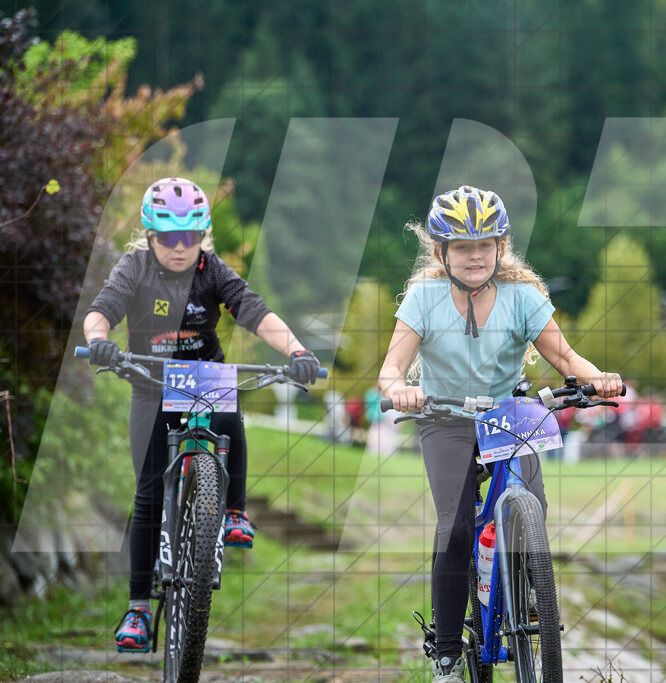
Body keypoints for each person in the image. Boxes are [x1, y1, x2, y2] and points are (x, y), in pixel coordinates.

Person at [377, 186, 622, 683]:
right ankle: (446, 649)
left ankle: (525, 592)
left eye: (484, 245)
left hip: (508, 413)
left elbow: (567, 359)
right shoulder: (423, 299)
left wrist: (597, 377)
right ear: (442, 252)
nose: (474, 256)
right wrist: (400, 389)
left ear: (500, 249)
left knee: (533, 500)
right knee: (456, 525)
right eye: (462, 247)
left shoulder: (523, 298)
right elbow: (390, 371)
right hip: (444, 416)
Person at [83, 178, 320, 653]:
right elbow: (101, 311)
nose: (179, 247)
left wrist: (296, 349)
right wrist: (99, 341)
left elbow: (255, 311)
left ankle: (234, 512)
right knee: (149, 494)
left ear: (202, 236)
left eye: (189, 237)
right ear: (149, 237)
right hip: (151, 387)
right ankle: (138, 609)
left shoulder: (213, 271)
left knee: (230, 410)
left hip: (204, 381)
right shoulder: (135, 267)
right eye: (168, 238)